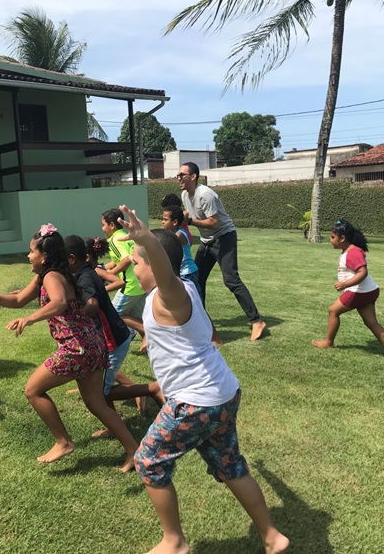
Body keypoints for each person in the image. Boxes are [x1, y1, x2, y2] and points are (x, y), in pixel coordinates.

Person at [117, 205, 289, 554]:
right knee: (231, 466)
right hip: (222, 393)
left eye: (137, 261)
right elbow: (204, 333)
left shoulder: (170, 294)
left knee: (148, 460)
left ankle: (174, 541)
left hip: (196, 401)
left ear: (155, 262)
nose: (132, 266)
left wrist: (147, 239)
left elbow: (165, 277)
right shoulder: (185, 293)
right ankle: (272, 536)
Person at [0, 223, 138, 470]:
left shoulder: (51, 276)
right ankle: (134, 450)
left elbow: (58, 303)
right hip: (92, 344)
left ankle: (63, 442)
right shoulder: (47, 275)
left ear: (44, 255)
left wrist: (30, 318)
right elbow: (17, 299)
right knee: (97, 403)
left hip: (76, 348)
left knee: (33, 390)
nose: (28, 256)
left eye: (31, 251)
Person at [65, 235, 164, 435]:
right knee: (101, 385)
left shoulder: (86, 276)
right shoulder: (89, 272)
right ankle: (115, 422)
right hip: (110, 338)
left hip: (113, 340)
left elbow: (92, 305)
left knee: (102, 392)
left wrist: (79, 312)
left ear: (73, 259)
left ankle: (150, 389)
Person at [178, 162, 266, 341]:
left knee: (231, 280)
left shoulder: (206, 195)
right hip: (206, 242)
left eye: (182, 175)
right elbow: (189, 215)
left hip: (224, 237)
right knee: (197, 280)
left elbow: (214, 222)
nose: (178, 178)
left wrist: (190, 222)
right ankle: (200, 320)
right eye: (178, 175)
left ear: (193, 176)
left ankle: (257, 321)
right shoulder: (185, 195)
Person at [312, 220, 384, 358]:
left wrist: (345, 284)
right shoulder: (349, 251)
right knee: (371, 322)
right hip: (369, 291)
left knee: (333, 311)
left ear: (342, 239)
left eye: (332, 237)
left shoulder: (352, 253)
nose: (330, 240)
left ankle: (328, 342)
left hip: (360, 292)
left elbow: (362, 272)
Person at [162, 205, 223, 347]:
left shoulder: (180, 234)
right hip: (180, 274)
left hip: (189, 273)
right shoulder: (175, 232)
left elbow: (166, 244)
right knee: (178, 305)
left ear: (175, 222)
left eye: (165, 220)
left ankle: (215, 337)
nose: (163, 222)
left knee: (197, 305)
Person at [101, 208, 147, 352]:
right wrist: (102, 270)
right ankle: (148, 343)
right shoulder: (124, 236)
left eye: (103, 225)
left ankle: (148, 332)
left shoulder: (114, 240)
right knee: (136, 316)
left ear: (112, 225)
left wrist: (112, 274)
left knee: (114, 314)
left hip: (130, 285)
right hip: (141, 282)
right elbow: (118, 260)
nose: (102, 228)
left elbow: (126, 259)